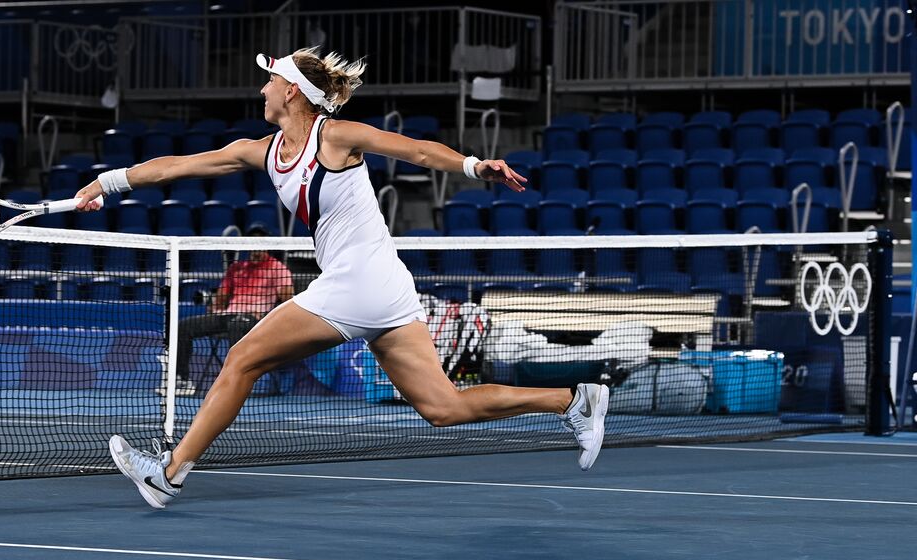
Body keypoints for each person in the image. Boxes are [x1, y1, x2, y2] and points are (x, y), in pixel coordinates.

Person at [76, 48, 610, 509]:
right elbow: (177, 166)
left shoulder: (335, 137)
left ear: (291, 91)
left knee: (241, 359)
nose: (262, 88)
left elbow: (416, 151)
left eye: (270, 80)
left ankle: (168, 475)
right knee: (442, 408)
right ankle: (571, 400)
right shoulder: (262, 151)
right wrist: (106, 181)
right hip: (384, 287)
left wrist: (474, 166)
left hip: (358, 283)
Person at [167, 223, 294, 397]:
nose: (256, 249)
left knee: (237, 325)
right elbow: (221, 298)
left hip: (256, 319)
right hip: (228, 315)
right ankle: (181, 379)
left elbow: (287, 299)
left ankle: (236, 381)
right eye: (252, 244)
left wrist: (271, 318)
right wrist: (214, 308)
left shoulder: (278, 269)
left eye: (260, 244)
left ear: (268, 245)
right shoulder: (236, 268)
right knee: (183, 326)